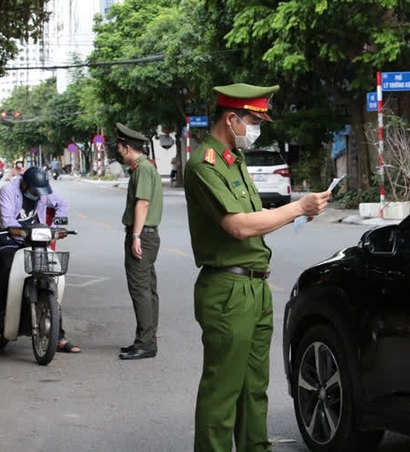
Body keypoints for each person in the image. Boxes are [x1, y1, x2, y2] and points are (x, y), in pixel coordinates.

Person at [184, 83, 330, 451]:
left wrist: (297, 214)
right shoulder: (205, 164)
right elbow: (238, 226)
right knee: (223, 392)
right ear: (231, 119)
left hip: (254, 287)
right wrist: (297, 208)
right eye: (253, 121)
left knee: (254, 390)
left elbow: (256, 216)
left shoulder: (235, 161)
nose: (257, 129)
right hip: (227, 291)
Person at [0, 167, 80, 353]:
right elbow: (6, 221)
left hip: (36, 238)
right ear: (24, 185)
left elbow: (62, 203)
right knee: (7, 263)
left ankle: (58, 336)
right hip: (10, 238)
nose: (38, 196)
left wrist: (53, 227)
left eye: (40, 193)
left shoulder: (43, 191)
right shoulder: (8, 191)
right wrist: (25, 235)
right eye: (34, 192)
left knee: (50, 273)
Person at [116, 122, 163, 360]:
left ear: (126, 147)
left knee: (140, 290)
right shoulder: (143, 168)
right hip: (148, 235)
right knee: (148, 290)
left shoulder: (143, 169)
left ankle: (146, 343)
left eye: (119, 146)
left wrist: (135, 236)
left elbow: (142, 203)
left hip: (142, 235)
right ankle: (145, 340)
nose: (118, 151)